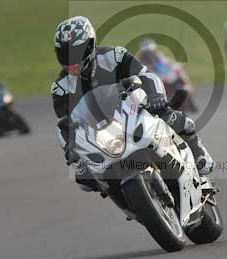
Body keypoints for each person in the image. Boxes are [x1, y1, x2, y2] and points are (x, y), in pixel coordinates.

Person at [51, 16, 214, 192]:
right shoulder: (60, 88)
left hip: (132, 107)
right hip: (99, 132)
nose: (70, 59)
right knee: (85, 180)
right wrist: (70, 148)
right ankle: (128, 200)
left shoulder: (114, 56)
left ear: (89, 45)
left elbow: (146, 75)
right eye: (64, 53)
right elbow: (65, 122)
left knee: (170, 116)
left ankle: (198, 152)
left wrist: (155, 96)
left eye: (75, 51)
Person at [136, 38, 196, 112]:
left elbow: (178, 69)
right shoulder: (141, 65)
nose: (149, 55)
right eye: (146, 53)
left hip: (171, 82)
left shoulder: (162, 59)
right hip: (161, 85)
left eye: (150, 53)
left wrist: (187, 83)